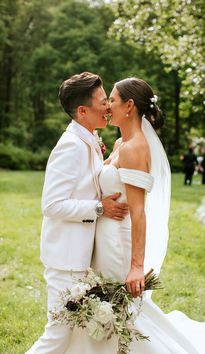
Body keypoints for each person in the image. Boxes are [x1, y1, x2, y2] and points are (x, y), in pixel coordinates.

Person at [65, 78, 205, 354]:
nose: (108, 106)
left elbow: (139, 212)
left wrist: (136, 266)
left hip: (119, 242)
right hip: (105, 237)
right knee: (108, 304)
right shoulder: (122, 142)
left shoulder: (135, 149)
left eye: (113, 100)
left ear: (129, 106)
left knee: (121, 308)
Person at [25, 72, 128, 354]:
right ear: (83, 111)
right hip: (65, 258)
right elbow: (52, 204)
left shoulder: (89, 139)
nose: (108, 107)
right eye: (103, 101)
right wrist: (99, 207)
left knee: (74, 334)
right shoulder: (70, 145)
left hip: (81, 256)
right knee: (58, 333)